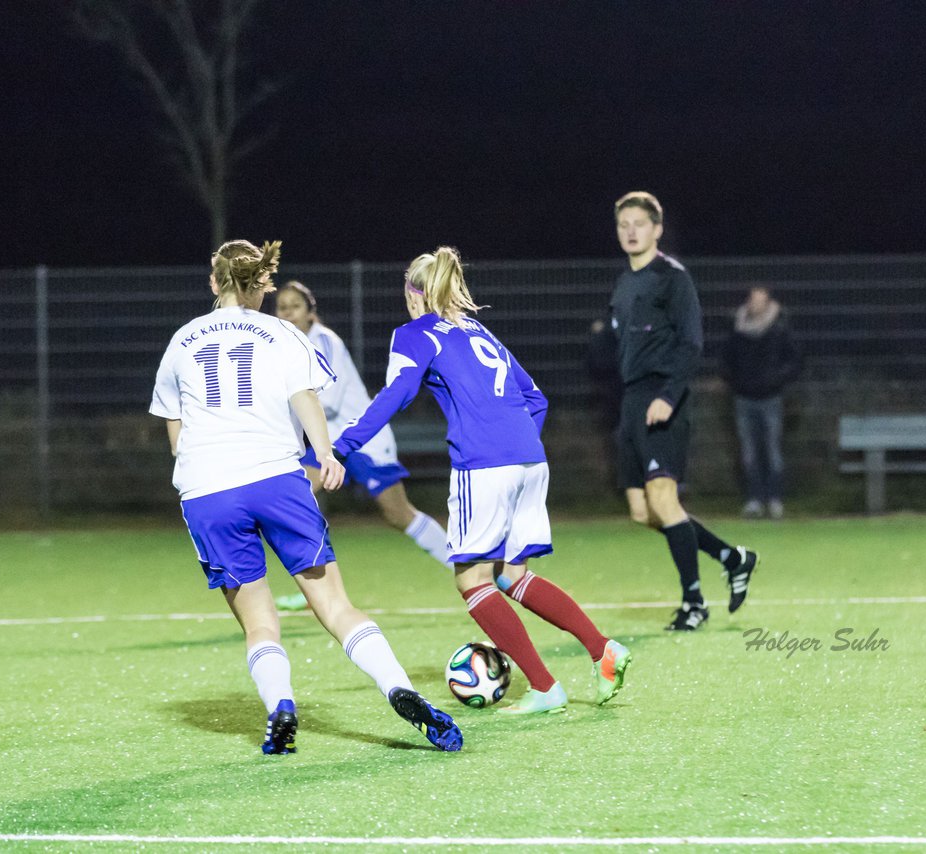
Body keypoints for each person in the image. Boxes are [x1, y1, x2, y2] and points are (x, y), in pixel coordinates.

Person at [149, 239, 462, 755]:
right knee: (336, 606)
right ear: (262, 285)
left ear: (214, 282)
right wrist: (326, 454)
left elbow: (174, 421)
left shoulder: (183, 339)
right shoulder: (281, 333)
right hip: (276, 479)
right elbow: (306, 398)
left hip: (208, 491)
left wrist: (191, 473)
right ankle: (398, 687)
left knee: (259, 619)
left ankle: (280, 707)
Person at [334, 246, 632, 715]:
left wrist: (341, 446)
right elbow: (536, 398)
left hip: (485, 464)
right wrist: (514, 446)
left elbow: (397, 394)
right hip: (531, 459)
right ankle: (601, 649)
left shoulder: (415, 333)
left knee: (473, 582)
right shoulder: (480, 332)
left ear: (414, 296)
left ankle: (544, 686)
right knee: (512, 574)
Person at [610, 191, 759, 631]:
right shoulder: (623, 284)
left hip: (663, 398)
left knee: (663, 499)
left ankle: (693, 602)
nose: (631, 231)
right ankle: (732, 557)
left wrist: (669, 396)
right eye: (624, 225)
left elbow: (691, 343)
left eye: (640, 223)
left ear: (657, 229)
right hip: (632, 401)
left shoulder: (673, 277)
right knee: (642, 511)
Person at [269, 281, 450, 613]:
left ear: (311, 312)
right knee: (297, 500)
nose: (287, 312)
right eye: (281, 307)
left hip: (362, 439)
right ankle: (318, 587)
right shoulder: (285, 348)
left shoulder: (323, 341)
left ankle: (467, 568)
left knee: (398, 514)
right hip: (329, 444)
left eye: (295, 306)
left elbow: (329, 399)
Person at [720, 286, 803, 520]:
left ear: (768, 304)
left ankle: (775, 500)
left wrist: (776, 380)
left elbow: (795, 360)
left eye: (761, 301)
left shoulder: (779, 330)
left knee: (772, 450)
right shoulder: (736, 329)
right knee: (749, 452)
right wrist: (735, 382)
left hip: (771, 398)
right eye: (753, 300)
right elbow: (726, 360)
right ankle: (754, 500)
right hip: (744, 398)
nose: (756, 305)